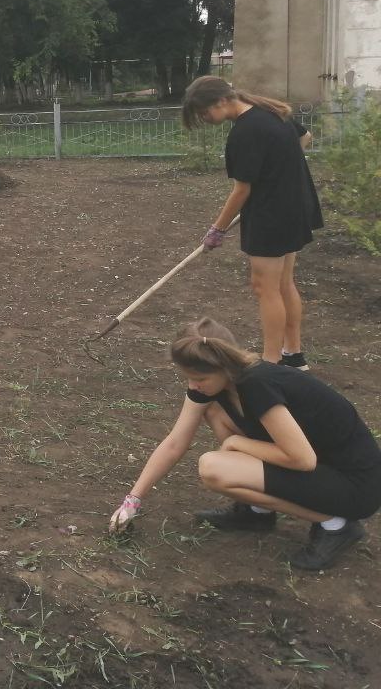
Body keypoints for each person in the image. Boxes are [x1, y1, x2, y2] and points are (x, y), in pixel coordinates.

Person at [109, 318, 381, 571]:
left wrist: (238, 443)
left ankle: (336, 525)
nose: (193, 385)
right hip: (320, 468)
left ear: (225, 367)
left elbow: (303, 459)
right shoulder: (220, 384)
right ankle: (257, 512)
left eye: (200, 379)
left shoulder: (257, 384)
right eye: (188, 377)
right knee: (212, 410)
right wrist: (133, 500)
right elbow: (174, 442)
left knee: (214, 468)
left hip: (355, 485)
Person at [182, 76, 323, 369]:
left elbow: (242, 190)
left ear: (222, 101)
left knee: (265, 287)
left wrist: (217, 230)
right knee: (284, 284)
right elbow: (304, 137)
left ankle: (271, 362)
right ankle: (293, 356)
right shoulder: (272, 114)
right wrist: (281, 169)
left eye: (204, 112)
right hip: (292, 208)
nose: (205, 119)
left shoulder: (245, 132)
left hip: (270, 215)